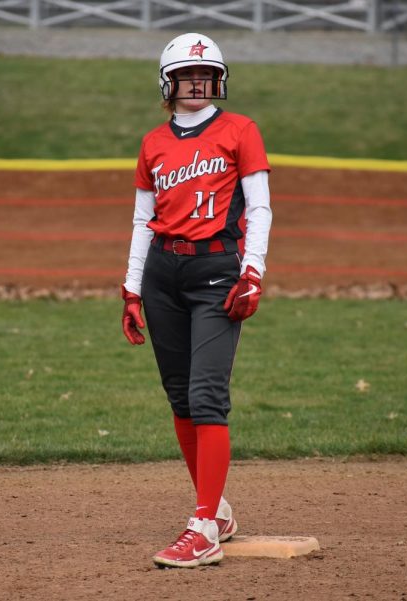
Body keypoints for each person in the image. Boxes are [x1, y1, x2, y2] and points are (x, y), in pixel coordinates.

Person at [120, 32, 273, 569]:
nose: (197, 84)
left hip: (216, 271)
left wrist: (252, 272)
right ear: (168, 82)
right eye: (187, 76)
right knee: (181, 397)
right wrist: (132, 286)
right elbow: (143, 220)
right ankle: (220, 511)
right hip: (163, 271)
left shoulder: (240, 131)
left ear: (219, 81)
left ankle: (203, 527)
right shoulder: (152, 143)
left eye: (206, 76)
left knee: (208, 396)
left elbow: (260, 209)